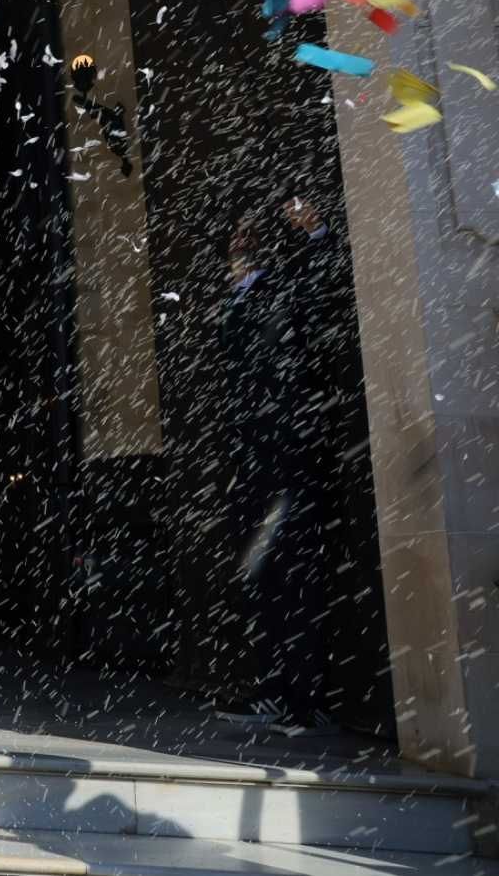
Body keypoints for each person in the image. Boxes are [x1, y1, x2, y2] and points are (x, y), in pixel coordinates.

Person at [215, 198, 335, 733]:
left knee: (295, 578)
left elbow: (323, 287)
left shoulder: (284, 287)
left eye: (247, 236)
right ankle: (270, 689)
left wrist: (318, 234)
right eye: (234, 237)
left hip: (289, 456)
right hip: (252, 462)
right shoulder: (229, 300)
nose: (239, 245)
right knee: (259, 579)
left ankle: (303, 698)